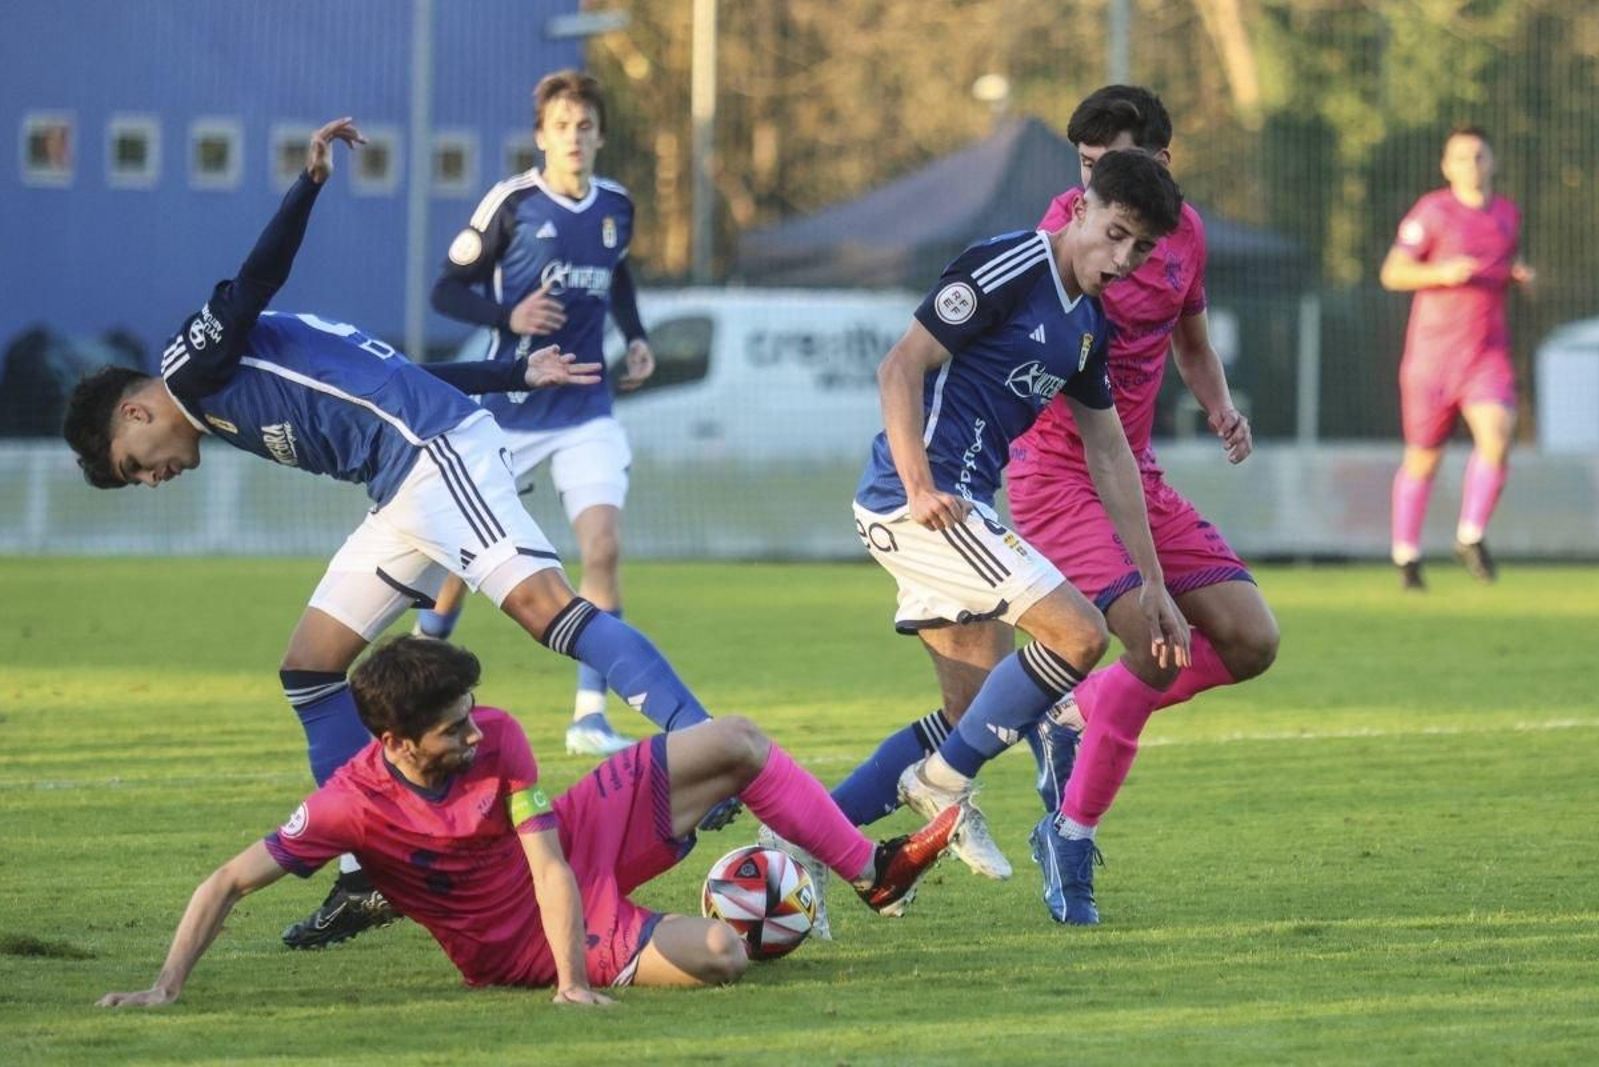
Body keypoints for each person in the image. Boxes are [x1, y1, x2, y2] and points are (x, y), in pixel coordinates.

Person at [62, 117, 734, 953]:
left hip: (431, 454)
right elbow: (390, 370)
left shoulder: (190, 368)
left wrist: (307, 182)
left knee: (549, 614)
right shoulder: (212, 403)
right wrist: (512, 371)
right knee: (309, 668)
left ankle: (703, 741)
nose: (151, 476)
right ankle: (367, 876)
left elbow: (252, 281)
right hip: (401, 484)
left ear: (135, 412)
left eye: (134, 463)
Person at [777, 149, 1191, 939]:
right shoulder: (1011, 264)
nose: (1123, 259)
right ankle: (940, 785)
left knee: (970, 710)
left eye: (1140, 249)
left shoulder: (1085, 328)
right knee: (1078, 634)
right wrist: (920, 481)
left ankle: (797, 840)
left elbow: (1111, 455)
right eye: (1115, 235)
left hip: (951, 507)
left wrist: (1154, 581)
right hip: (923, 503)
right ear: (1079, 209)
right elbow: (900, 366)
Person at [95, 637, 961, 1008]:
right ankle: (735, 921)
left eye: (472, 713)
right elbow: (226, 882)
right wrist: (165, 985)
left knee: (732, 738)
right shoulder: (344, 807)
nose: (478, 731)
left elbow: (550, 859)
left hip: (571, 848)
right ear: (395, 741)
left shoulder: (498, 734)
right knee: (726, 955)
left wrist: (577, 987)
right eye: (453, 728)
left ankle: (869, 871)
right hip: (517, 942)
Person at [1005, 86, 1280, 925]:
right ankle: (1071, 833)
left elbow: (1191, 341)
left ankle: (1073, 711)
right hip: (1059, 479)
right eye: (1084, 171)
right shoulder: (1065, 234)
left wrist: (1219, 404)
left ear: (1160, 162)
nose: (1089, 191)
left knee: (1252, 638)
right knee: (1158, 647)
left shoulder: (1179, 236)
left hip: (1137, 474)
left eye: (1109, 167)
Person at [418, 70, 655, 759]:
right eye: (561, 126)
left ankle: (589, 715)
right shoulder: (513, 202)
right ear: (541, 135)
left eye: (585, 126)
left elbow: (620, 275)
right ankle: (418, 668)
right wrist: (507, 313)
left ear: (600, 134)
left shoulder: (617, 205)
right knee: (459, 559)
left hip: (586, 408)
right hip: (509, 410)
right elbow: (445, 288)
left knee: (602, 547)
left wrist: (634, 337)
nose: (574, 138)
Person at [1380, 124, 1531, 591]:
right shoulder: (1432, 212)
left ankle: (1471, 534)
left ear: (1493, 161)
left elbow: (1506, 266)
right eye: (1462, 157)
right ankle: (1406, 556)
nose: (1472, 164)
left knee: (1499, 433)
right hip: (1431, 360)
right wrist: (1442, 272)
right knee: (1423, 459)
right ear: (1447, 166)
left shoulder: (1507, 214)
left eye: (1480, 156)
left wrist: (1522, 275)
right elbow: (1393, 272)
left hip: (1486, 355)